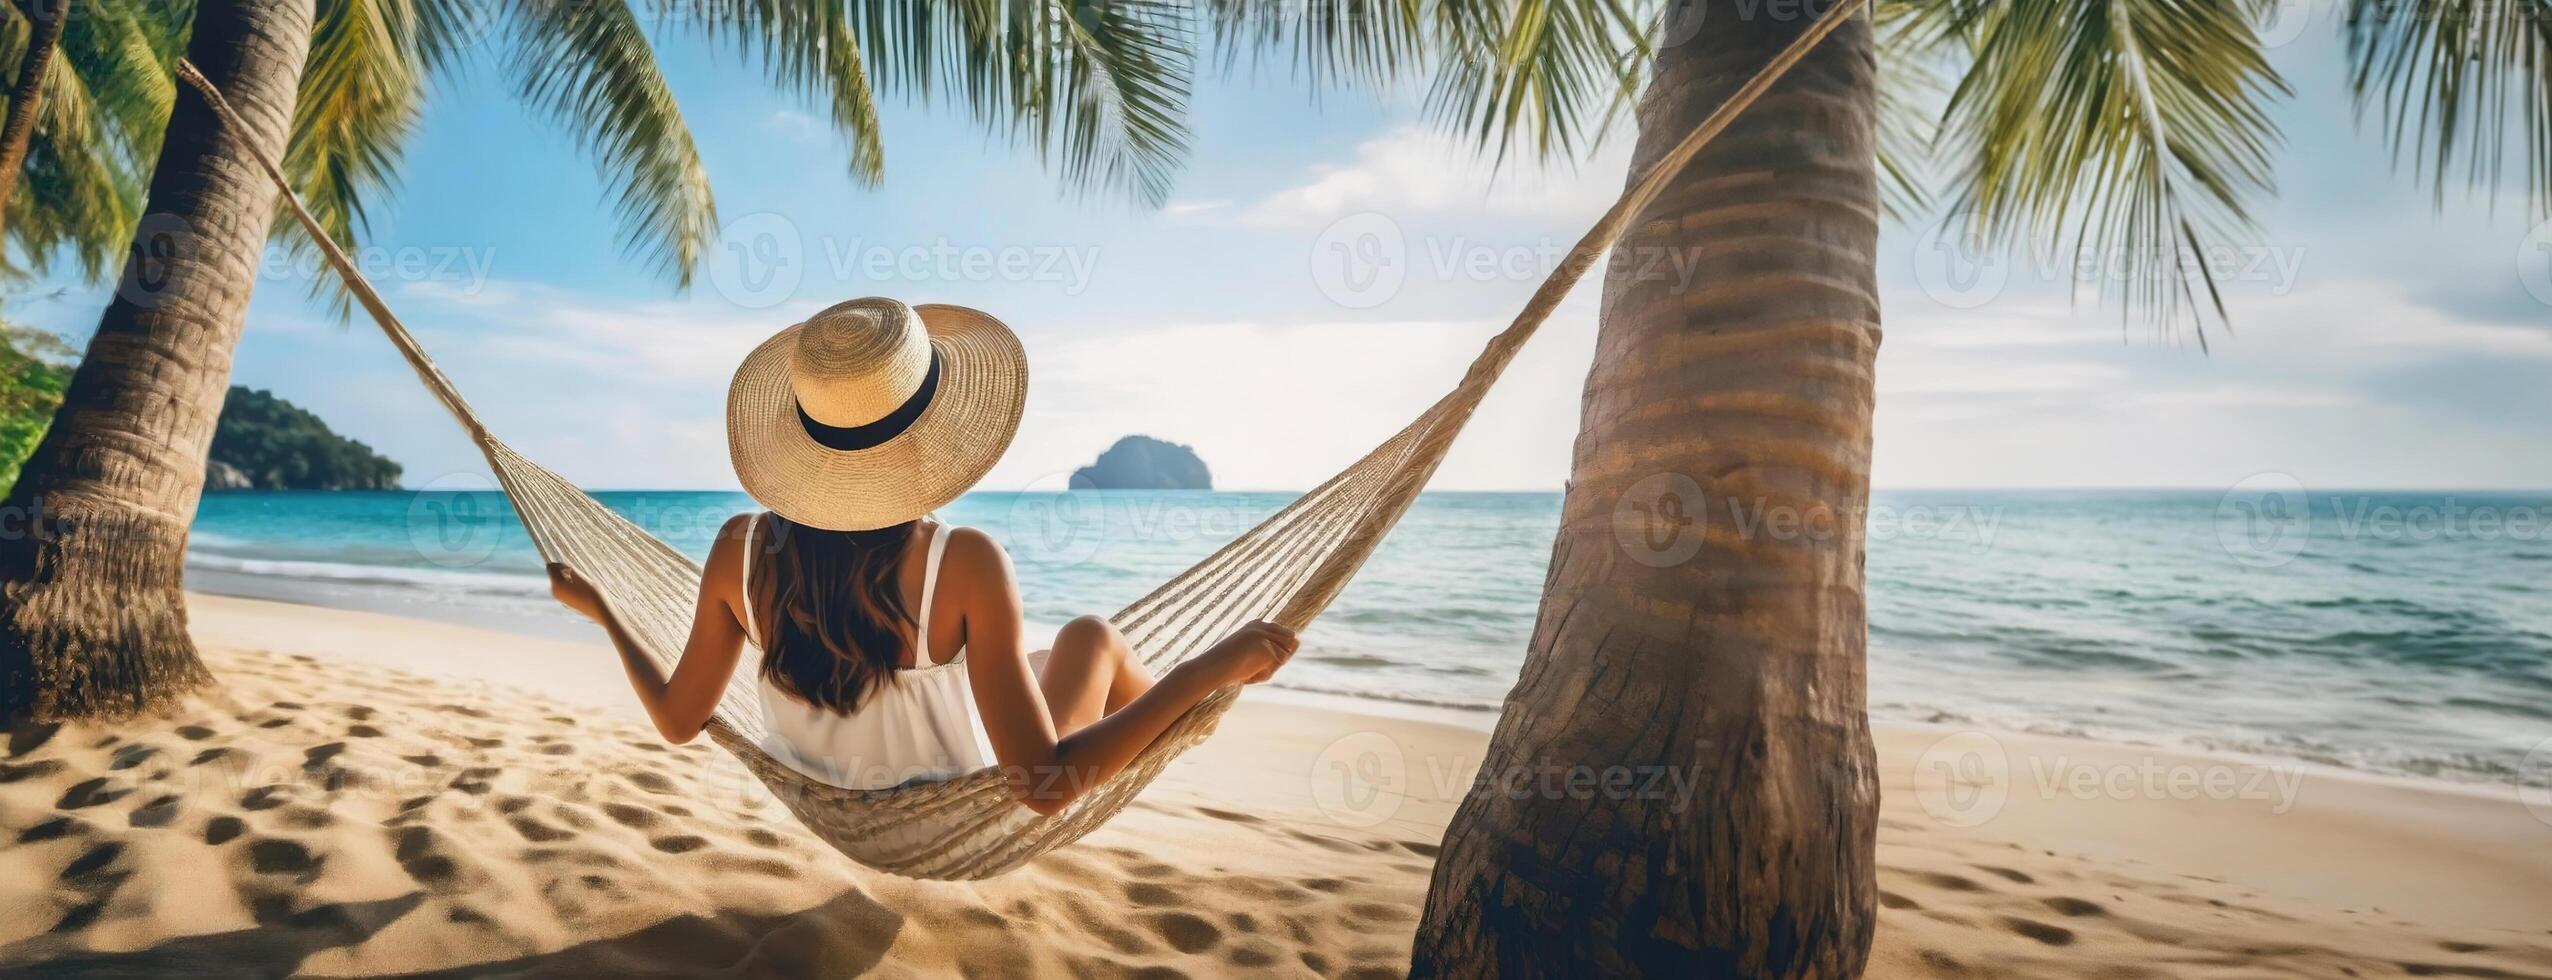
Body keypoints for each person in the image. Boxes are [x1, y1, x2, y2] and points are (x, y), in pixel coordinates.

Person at [547, 297, 1297, 815]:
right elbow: (1040, 785)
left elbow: (679, 721)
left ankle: (1164, 723)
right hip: (949, 796)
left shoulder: (739, 551)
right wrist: (1208, 670)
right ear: (931, 437)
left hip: (838, 797)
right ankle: (1176, 724)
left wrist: (605, 613)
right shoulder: (964, 561)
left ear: (802, 439)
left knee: (1037, 663)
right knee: (1090, 638)